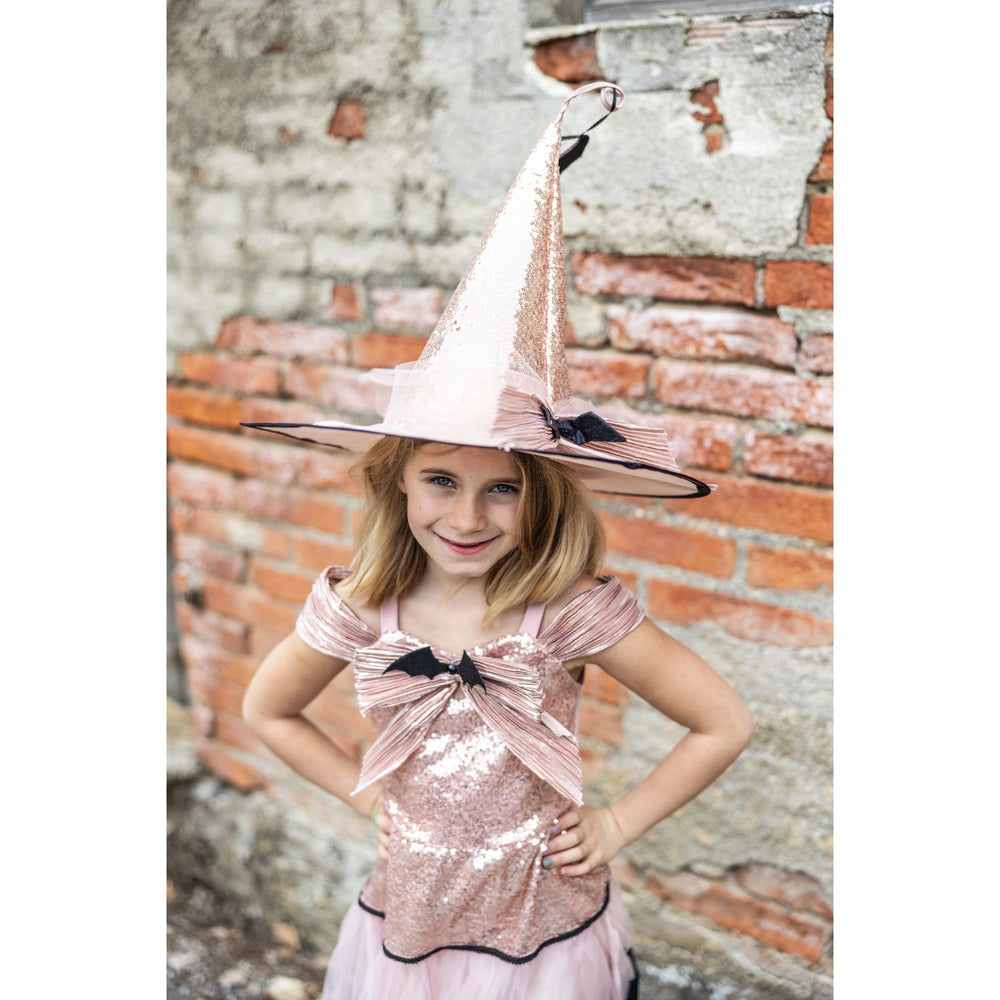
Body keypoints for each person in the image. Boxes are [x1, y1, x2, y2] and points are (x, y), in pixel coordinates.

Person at [241, 83, 754, 1000]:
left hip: (544, 930)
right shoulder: (362, 606)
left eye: (503, 489)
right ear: (397, 481)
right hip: (411, 923)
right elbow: (267, 711)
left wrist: (618, 823)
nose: (468, 518)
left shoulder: (566, 612)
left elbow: (724, 721)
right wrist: (367, 790)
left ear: (541, 495)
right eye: (441, 480)